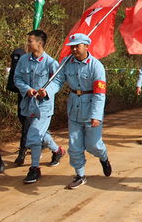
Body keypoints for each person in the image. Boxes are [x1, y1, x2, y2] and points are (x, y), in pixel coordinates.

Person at [40, 33, 111, 189]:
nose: (73, 50)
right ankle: (80, 175)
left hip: (91, 107)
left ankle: (104, 158)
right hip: (74, 108)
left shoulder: (96, 66)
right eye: (72, 47)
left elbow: (100, 94)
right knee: (75, 146)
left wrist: (96, 115)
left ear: (86, 46)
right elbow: (57, 81)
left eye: (76, 46)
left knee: (94, 145)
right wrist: (47, 91)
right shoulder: (66, 63)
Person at [14, 30, 65, 184]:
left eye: (30, 41)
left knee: (34, 135)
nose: (28, 43)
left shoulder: (50, 63)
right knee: (39, 133)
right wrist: (27, 89)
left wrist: (46, 91)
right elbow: (17, 78)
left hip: (43, 106)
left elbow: (58, 81)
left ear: (39, 43)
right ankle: (58, 151)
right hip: (29, 104)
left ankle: (34, 169)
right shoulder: (23, 60)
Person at [6, 48, 29, 165]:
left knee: (27, 125)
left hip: (33, 100)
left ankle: (22, 152)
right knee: (30, 125)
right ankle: (53, 148)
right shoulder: (21, 61)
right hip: (22, 98)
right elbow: (13, 82)